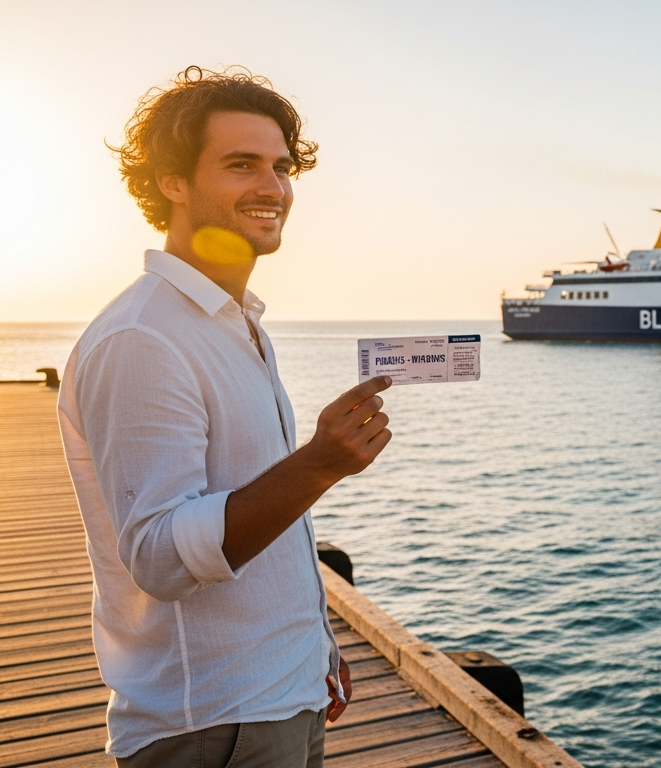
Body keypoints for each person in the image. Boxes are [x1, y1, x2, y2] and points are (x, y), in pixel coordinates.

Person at [57, 66, 393, 766]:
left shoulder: (234, 322)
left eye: (280, 166)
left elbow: (257, 515)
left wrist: (314, 646)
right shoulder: (143, 338)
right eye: (241, 165)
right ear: (171, 182)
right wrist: (319, 464)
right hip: (212, 722)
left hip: (278, 698)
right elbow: (159, 556)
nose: (272, 188)